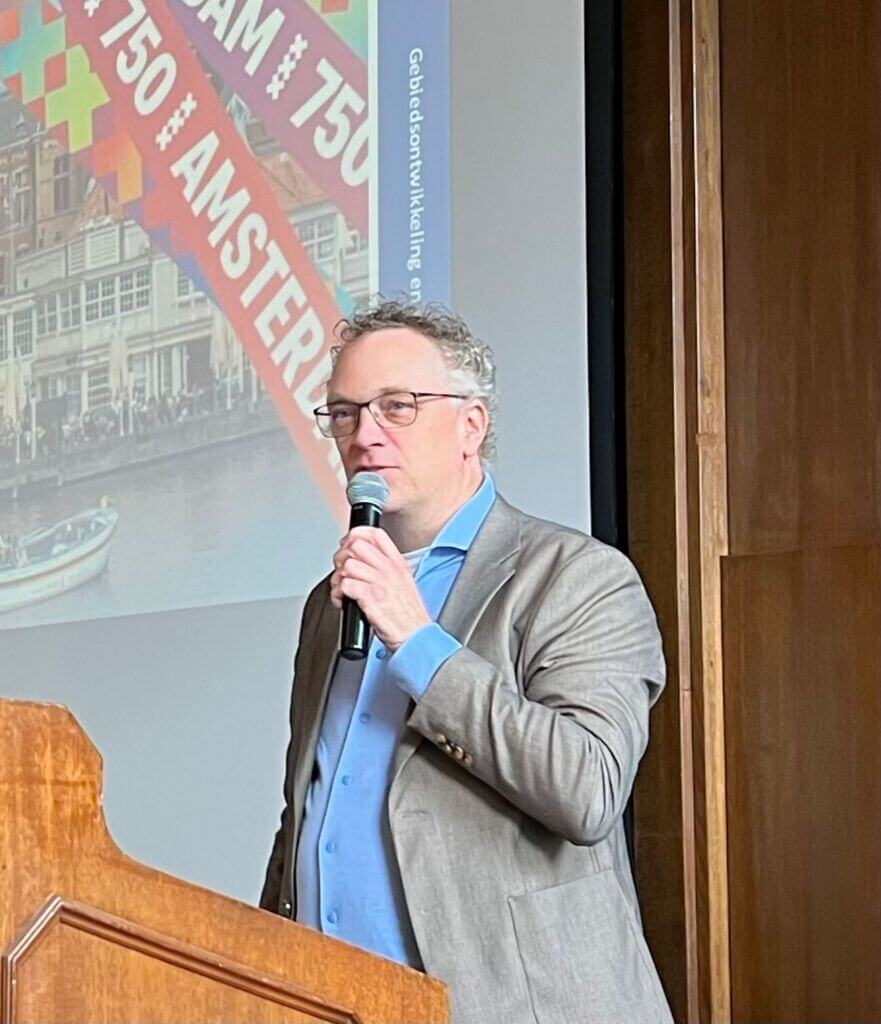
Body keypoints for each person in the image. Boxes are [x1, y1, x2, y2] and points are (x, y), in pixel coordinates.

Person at [261, 300, 673, 1024]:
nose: (365, 434)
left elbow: (587, 788)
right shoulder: (329, 607)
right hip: (331, 1002)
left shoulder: (576, 577)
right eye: (344, 413)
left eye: (398, 406)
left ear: (471, 425)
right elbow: (309, 810)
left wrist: (418, 641)